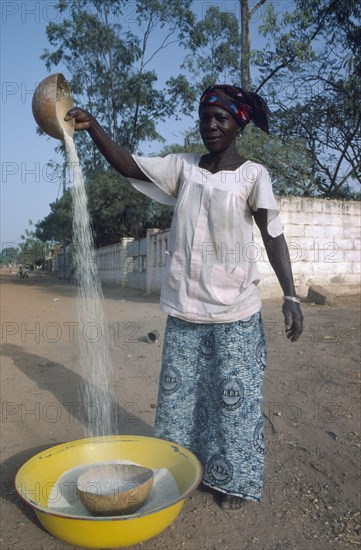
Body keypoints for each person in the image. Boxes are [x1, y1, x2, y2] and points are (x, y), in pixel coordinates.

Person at [65, 84, 303, 510]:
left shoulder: (253, 175)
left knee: (234, 401)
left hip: (234, 311)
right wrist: (94, 128)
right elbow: (130, 166)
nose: (211, 126)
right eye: (205, 117)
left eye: (221, 118)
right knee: (179, 401)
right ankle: (182, 470)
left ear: (238, 125)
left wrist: (291, 296)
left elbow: (273, 236)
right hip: (186, 311)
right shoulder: (184, 169)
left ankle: (234, 482)